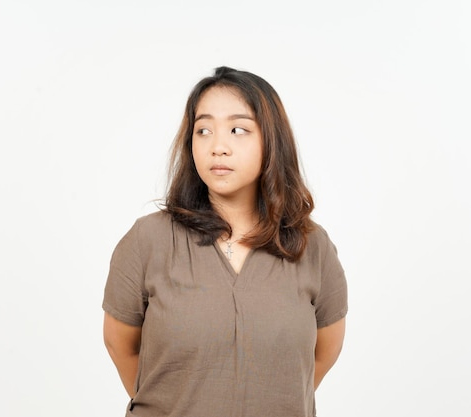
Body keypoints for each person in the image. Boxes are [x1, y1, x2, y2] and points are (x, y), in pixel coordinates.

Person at [102, 66, 348, 417]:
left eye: (238, 130)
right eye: (203, 130)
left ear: (270, 140)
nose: (218, 146)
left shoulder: (312, 246)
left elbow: (324, 352)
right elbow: (119, 344)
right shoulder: (148, 240)